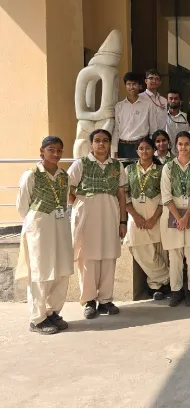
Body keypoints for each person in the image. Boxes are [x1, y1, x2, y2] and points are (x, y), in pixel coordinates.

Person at [15, 136, 73, 335]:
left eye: (59, 150)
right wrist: (37, 222)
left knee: (62, 270)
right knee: (41, 271)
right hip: (39, 228)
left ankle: (52, 312)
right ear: (42, 151)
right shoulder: (31, 175)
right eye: (51, 150)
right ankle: (37, 319)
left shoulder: (64, 176)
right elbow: (22, 206)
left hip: (60, 226)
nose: (56, 154)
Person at [68, 129, 127, 319]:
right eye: (97, 140)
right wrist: (79, 204)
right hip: (86, 218)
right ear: (91, 143)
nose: (101, 144)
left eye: (105, 140)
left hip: (110, 216)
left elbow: (121, 195)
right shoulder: (80, 164)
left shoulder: (117, 166)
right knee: (87, 258)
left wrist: (123, 221)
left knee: (109, 257)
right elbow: (67, 189)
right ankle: (89, 301)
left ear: (110, 144)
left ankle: (105, 300)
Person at [160, 131, 190, 307]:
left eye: (186, 144)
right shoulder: (168, 168)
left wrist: (186, 217)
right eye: (180, 144)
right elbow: (166, 195)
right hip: (172, 213)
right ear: (175, 146)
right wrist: (179, 218)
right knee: (175, 255)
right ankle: (176, 291)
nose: (183, 147)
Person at [124, 137, 170, 301]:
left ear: (154, 150)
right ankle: (171, 279)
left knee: (160, 252)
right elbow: (124, 195)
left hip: (157, 217)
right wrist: (135, 216)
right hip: (136, 218)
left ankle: (155, 287)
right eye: (141, 148)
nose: (144, 151)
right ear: (137, 151)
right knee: (140, 250)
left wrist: (153, 218)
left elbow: (165, 195)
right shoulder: (129, 170)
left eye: (148, 148)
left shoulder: (161, 170)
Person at [113, 72, 157, 159]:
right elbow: (116, 129)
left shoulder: (148, 105)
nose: (131, 87)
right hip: (122, 146)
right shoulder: (119, 106)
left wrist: (151, 148)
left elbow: (153, 129)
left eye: (134, 84)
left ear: (139, 86)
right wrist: (114, 150)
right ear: (125, 86)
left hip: (141, 146)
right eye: (129, 84)